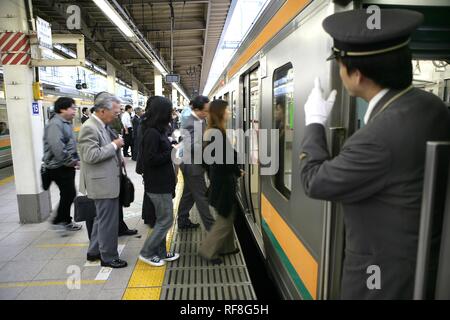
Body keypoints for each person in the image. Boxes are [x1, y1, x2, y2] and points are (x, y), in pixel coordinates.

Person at [299, 9, 450, 299]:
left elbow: (313, 181)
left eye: (341, 66)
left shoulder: (377, 140)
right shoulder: (430, 105)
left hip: (381, 283)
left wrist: (315, 122)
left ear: (356, 75)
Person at [78, 92, 128, 268]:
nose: (118, 114)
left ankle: (93, 252)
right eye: (115, 111)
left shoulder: (102, 125)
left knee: (101, 219)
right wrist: (115, 145)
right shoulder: (90, 127)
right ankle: (108, 257)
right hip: (102, 183)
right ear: (101, 110)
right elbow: (90, 155)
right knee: (108, 222)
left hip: (105, 181)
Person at [198, 99, 244, 265]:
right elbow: (226, 161)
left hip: (218, 180)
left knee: (227, 215)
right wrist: (237, 171)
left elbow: (206, 160)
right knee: (225, 219)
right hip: (224, 183)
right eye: (227, 110)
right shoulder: (218, 134)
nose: (229, 113)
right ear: (220, 113)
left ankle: (228, 247)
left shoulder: (211, 131)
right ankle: (207, 251)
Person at [138, 96, 180, 267]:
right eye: (169, 111)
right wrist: (172, 151)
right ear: (162, 113)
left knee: (163, 219)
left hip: (162, 182)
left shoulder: (157, 130)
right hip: (157, 184)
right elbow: (150, 159)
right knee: (166, 221)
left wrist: (171, 147)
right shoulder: (152, 133)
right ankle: (147, 252)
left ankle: (161, 252)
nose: (172, 114)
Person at [42, 97, 82, 231]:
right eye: (72, 108)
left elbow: (69, 144)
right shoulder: (55, 124)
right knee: (69, 193)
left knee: (68, 193)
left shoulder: (65, 122)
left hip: (64, 165)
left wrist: (76, 159)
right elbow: (57, 147)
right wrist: (70, 161)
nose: (74, 111)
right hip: (58, 166)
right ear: (63, 109)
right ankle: (61, 220)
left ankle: (61, 219)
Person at [177, 95, 215, 231]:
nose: (207, 113)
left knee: (189, 193)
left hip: (192, 163)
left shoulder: (199, 119)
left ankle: (182, 219)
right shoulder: (191, 122)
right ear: (197, 109)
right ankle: (213, 230)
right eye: (205, 110)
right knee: (202, 197)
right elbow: (191, 146)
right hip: (191, 165)